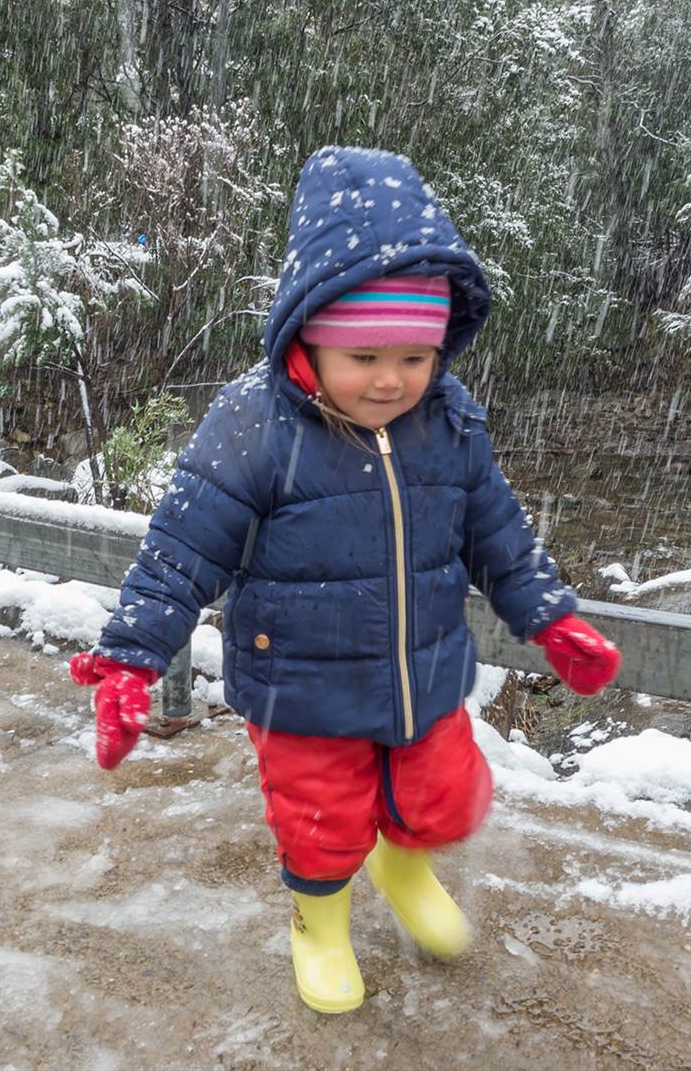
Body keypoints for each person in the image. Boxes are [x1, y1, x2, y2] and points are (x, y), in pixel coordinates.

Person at [69, 146, 621, 1014]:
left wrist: (548, 615)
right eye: (363, 355)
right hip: (301, 685)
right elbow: (179, 549)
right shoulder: (255, 425)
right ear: (310, 336)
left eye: (414, 355)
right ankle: (318, 923)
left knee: (444, 797)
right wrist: (131, 658)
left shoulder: (448, 420)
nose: (391, 379)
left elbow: (497, 531)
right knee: (320, 823)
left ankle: (404, 867)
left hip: (422, 669)